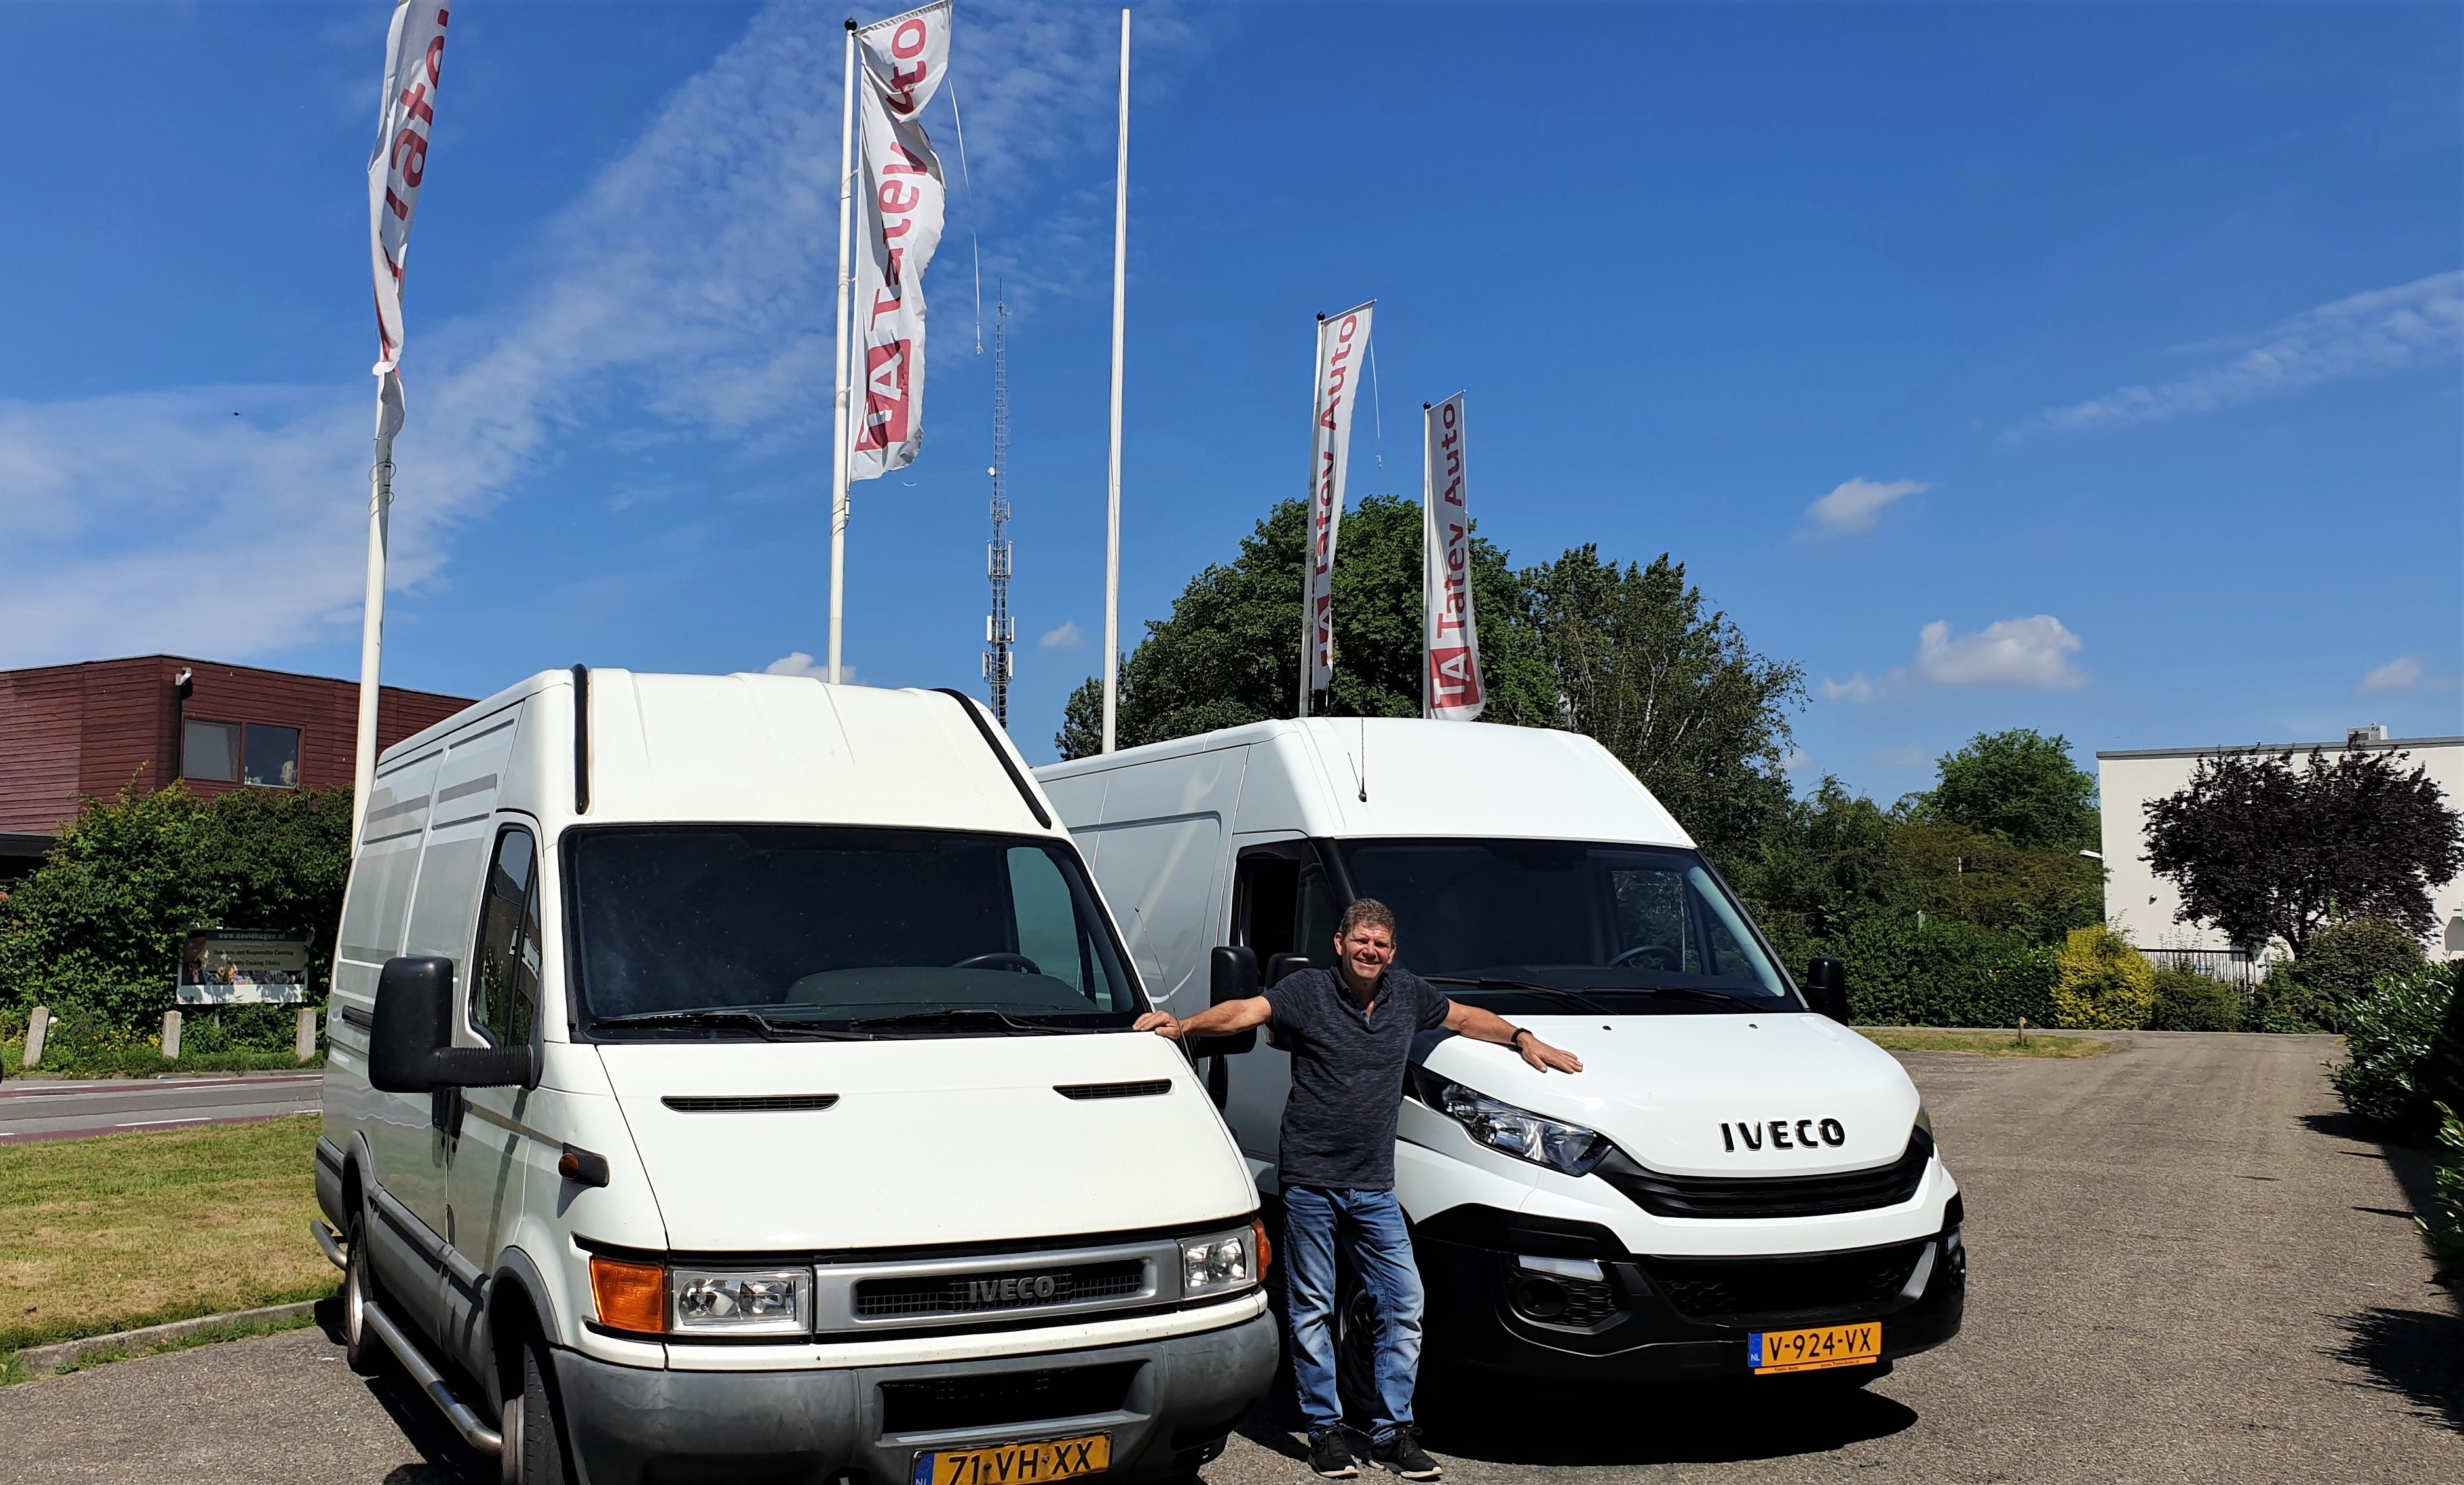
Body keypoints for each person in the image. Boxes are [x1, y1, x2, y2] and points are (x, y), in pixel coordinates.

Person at [1135, 898, 1582, 1480]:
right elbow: (1247, 1010)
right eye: (1361, 940)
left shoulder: (1409, 994)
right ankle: (1324, 1429)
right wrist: (1184, 1025)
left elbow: (1466, 1018)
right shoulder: (1307, 991)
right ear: (1340, 944)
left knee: (1404, 1303)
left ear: (1392, 953)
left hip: (1374, 1187)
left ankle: (1393, 1432)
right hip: (1311, 1182)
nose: (1371, 950)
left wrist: (1522, 1036)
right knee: (1313, 1307)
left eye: (1381, 943)